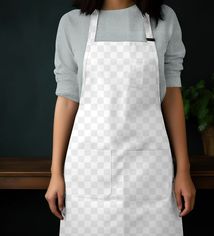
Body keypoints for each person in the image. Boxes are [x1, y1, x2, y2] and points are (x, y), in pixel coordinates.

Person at [45, 0, 196, 235]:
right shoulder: (72, 23)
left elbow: (172, 95)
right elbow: (66, 100)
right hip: (89, 169)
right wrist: (56, 174)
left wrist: (183, 170)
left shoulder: (164, 19)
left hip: (150, 170)